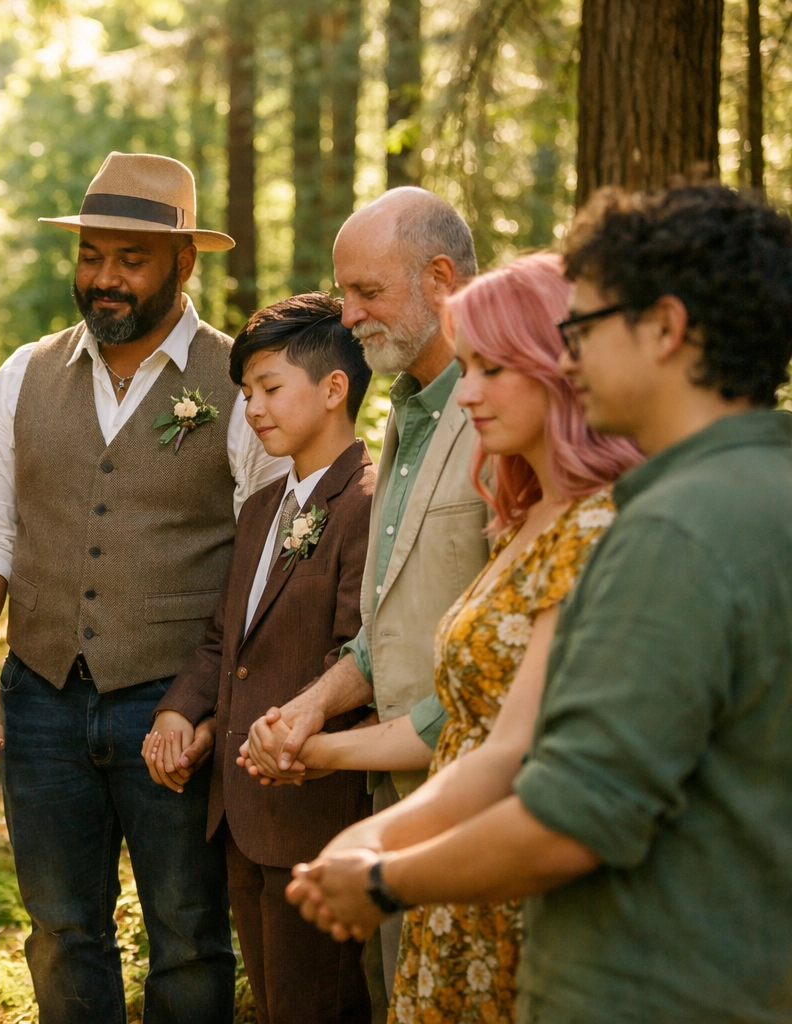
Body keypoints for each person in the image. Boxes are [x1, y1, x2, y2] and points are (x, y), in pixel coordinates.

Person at [287, 184, 792, 1024]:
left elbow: (577, 811)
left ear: (664, 329)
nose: (570, 358)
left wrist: (382, 880)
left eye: (585, 329)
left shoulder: (666, 532)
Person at [0, 151, 286, 1024]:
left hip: (173, 707)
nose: (105, 278)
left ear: (184, 263)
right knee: (60, 931)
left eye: (130, 259)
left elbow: (264, 562)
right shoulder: (23, 375)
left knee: (189, 932)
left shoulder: (241, 382)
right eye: (92, 255)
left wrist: (206, 703)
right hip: (43, 700)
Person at [246, 255, 639, 1024]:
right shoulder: (528, 520)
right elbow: (469, 724)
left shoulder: (600, 528)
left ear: (560, 370)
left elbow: (521, 755)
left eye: (492, 368)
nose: (470, 392)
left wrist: (385, 859)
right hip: (450, 871)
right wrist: (327, 759)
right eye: (468, 367)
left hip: (512, 879)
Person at [239, 187, 486, 1010]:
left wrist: (331, 750)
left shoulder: (504, 420)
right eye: (345, 292)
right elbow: (389, 634)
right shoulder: (404, 419)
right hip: (393, 799)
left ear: (442, 279)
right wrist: (312, 707)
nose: (349, 314)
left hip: (475, 802)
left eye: (367, 293)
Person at [142, 292, 376, 1024]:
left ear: (334, 388)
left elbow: (359, 653)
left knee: (322, 1005)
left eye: (270, 388)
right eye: (245, 394)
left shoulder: (366, 502)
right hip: (240, 811)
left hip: (317, 809)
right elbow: (225, 641)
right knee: (275, 1004)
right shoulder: (263, 506)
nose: (253, 409)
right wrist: (183, 710)